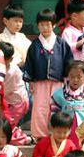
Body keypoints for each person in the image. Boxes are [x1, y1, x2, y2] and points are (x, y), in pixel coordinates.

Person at [23, 9, 72, 139]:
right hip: (40, 82)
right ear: (37, 25)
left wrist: (68, 79)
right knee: (40, 108)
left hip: (58, 82)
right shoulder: (34, 45)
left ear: (54, 25)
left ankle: (58, 133)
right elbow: (30, 63)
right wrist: (31, 81)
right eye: (41, 24)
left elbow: (68, 61)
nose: (45, 27)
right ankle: (40, 135)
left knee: (57, 107)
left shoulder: (61, 43)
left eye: (48, 24)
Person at [0, 41, 31, 146]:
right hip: (8, 102)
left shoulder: (12, 70)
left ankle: (25, 139)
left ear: (10, 59)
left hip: (17, 103)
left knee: (6, 128)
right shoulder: (1, 67)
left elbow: (4, 90)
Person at [50, 60, 84, 144]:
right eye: (72, 76)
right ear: (67, 76)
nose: (75, 80)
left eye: (79, 77)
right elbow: (54, 114)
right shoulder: (58, 94)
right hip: (66, 132)